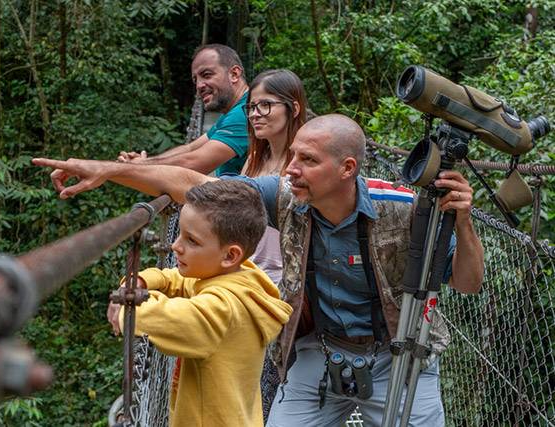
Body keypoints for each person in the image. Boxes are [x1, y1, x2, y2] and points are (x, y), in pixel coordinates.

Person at [33, 113, 484, 427]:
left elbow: (467, 282)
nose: (291, 169)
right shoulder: (286, 195)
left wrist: (462, 223)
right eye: (293, 157)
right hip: (319, 352)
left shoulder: (402, 209)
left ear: (348, 168)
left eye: (307, 160)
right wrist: (106, 171)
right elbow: (194, 186)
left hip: (397, 356)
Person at [109, 180, 292, 427]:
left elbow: (169, 319)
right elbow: (180, 280)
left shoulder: (223, 308)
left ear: (230, 255)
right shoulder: (241, 277)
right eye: (180, 235)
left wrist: (128, 306)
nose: (175, 246)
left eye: (191, 241)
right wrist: (141, 280)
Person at [240, 69, 308, 421]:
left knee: (269, 395)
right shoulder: (255, 159)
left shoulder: (306, 163)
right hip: (247, 284)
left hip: (283, 295)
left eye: (265, 106)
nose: (255, 115)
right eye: (251, 108)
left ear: (293, 108)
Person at [118, 44, 250, 176]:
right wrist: (145, 161)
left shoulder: (246, 112)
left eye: (207, 75)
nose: (199, 86)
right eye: (195, 80)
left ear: (234, 74)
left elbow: (194, 163)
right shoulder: (232, 112)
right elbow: (190, 148)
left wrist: (141, 166)